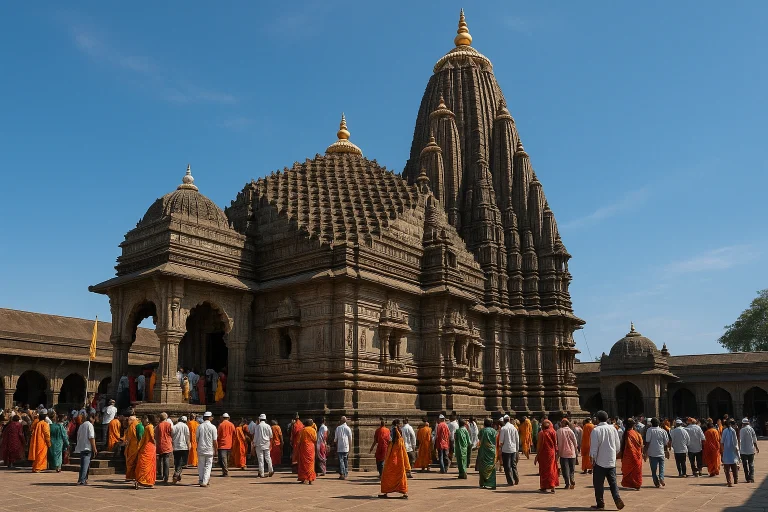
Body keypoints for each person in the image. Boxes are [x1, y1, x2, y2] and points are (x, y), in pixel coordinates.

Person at [589, 410, 624, 511]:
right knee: (613, 483)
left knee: (598, 484)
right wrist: (613, 454)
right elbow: (618, 446)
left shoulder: (596, 430)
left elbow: (594, 448)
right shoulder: (613, 429)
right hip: (611, 461)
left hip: (600, 462)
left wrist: (592, 459)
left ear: (597, 419)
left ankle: (600, 503)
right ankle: (617, 498)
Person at [379, 420, 410, 499]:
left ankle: (386, 492)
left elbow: (390, 440)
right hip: (400, 460)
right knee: (401, 475)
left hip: (392, 458)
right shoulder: (400, 438)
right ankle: (404, 493)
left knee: (387, 475)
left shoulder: (395, 438)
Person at [644, 417, 670, 488]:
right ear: (659, 423)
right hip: (661, 452)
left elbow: (647, 442)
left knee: (653, 469)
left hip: (652, 453)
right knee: (662, 467)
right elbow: (666, 443)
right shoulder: (663, 431)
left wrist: (645, 452)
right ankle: (661, 477)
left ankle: (656, 482)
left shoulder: (649, 430)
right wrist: (666, 451)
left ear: (651, 423)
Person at [535, 419, 559, 493]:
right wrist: (556, 452)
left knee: (543, 470)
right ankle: (552, 486)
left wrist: (537, 455)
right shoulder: (553, 432)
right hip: (551, 453)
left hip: (543, 453)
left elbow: (539, 445)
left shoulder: (541, 433)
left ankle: (544, 486)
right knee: (552, 469)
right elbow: (555, 443)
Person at [619, 418, 643, 490]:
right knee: (636, 472)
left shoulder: (628, 433)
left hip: (630, 455)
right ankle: (637, 484)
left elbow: (629, 446)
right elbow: (641, 444)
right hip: (638, 455)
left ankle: (632, 484)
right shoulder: (637, 433)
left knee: (628, 471)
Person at [75, 412, 97, 485]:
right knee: (85, 465)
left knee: (83, 465)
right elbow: (91, 437)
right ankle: (82, 480)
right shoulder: (90, 425)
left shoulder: (81, 425)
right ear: (91, 418)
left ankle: (82, 479)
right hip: (87, 447)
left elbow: (78, 436)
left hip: (82, 447)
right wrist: (94, 448)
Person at [196, 412, 217, 487]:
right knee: (208, 466)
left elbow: (197, 438)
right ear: (210, 418)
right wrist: (216, 449)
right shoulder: (213, 427)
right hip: (209, 449)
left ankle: (201, 480)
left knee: (201, 465)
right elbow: (215, 440)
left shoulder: (199, 426)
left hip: (201, 448)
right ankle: (205, 481)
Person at [556, 418, 578, 490]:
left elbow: (556, 442)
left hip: (563, 453)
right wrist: (576, 451)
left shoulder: (559, 431)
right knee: (572, 469)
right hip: (572, 453)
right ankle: (572, 478)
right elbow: (575, 441)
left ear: (563, 423)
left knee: (565, 469)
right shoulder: (570, 431)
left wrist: (557, 453)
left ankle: (567, 483)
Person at [134, 415, 155, 489]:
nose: (142, 421)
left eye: (144, 419)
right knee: (144, 465)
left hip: (148, 448)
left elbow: (151, 437)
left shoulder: (149, 427)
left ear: (148, 420)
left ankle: (146, 481)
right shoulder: (148, 427)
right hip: (147, 448)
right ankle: (142, 481)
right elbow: (151, 438)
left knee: (146, 465)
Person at [498, 414, 519, 486]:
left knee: (507, 466)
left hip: (506, 449)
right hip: (513, 449)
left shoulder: (503, 429)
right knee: (513, 465)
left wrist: (500, 448)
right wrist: (517, 449)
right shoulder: (514, 428)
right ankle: (516, 478)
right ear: (509, 420)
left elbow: (501, 441)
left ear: (504, 421)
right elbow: (517, 439)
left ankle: (510, 481)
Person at [476, 418, 497, 489]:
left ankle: (483, 483)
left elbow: (479, 438)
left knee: (483, 467)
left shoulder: (482, 431)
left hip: (483, 451)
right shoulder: (494, 431)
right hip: (492, 451)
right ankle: (492, 483)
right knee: (492, 467)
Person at [253, 414, 274, 478]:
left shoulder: (257, 426)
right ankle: (271, 470)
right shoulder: (268, 426)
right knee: (268, 458)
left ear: (259, 419)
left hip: (259, 444)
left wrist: (254, 443)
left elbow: (256, 436)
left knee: (260, 460)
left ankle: (261, 473)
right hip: (266, 444)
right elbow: (271, 435)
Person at [171, 415, 190, 484]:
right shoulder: (185, 426)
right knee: (182, 462)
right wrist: (189, 445)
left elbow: (172, 436)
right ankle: (176, 474)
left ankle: (178, 475)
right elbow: (187, 437)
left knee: (177, 461)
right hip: (184, 446)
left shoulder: (174, 426)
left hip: (176, 447)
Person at [721, 418, 740, 487]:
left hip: (726, 451)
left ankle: (729, 482)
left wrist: (722, 450)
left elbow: (722, 442)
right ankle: (736, 480)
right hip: (733, 451)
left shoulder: (725, 431)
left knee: (727, 469)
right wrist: (737, 449)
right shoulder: (733, 431)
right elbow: (735, 441)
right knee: (734, 467)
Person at [297, 419, 317, 484]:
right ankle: (310, 479)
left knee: (303, 463)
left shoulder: (303, 430)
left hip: (304, 447)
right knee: (311, 463)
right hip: (311, 447)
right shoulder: (313, 430)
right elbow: (315, 439)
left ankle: (303, 478)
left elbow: (299, 440)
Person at [739, 417, 759, 483]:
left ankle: (747, 478)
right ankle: (751, 477)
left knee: (745, 465)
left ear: (743, 423)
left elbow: (739, 440)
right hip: (750, 449)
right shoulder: (751, 429)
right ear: (748, 423)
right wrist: (756, 447)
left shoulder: (741, 430)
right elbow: (754, 439)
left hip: (743, 450)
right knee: (751, 464)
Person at [155, 412, 173, 484]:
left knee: (160, 459)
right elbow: (171, 433)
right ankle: (166, 476)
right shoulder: (168, 425)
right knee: (166, 460)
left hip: (160, 444)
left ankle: (160, 474)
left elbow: (155, 435)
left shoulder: (158, 426)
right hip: (167, 444)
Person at [124, 414, 141, 481]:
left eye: (129, 420)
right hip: (134, 446)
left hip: (133, 447)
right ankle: (133, 476)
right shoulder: (137, 424)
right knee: (133, 462)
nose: (128, 421)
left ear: (132, 420)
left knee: (130, 462)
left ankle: (130, 476)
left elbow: (132, 437)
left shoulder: (133, 425)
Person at [217, 412, 235, 477]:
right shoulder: (231, 425)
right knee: (226, 459)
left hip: (222, 445)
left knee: (223, 459)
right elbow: (234, 433)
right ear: (228, 418)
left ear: (222, 418)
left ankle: (225, 472)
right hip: (229, 444)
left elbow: (218, 434)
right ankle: (225, 471)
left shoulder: (221, 425)